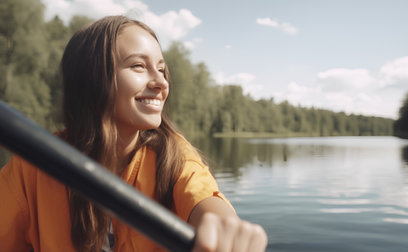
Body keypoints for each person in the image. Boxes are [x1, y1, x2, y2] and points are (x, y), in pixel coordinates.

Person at [0, 15, 267, 252]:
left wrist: (227, 231)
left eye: (161, 69)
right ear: (93, 80)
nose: (161, 82)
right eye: (139, 66)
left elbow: (205, 199)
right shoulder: (31, 169)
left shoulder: (172, 157)